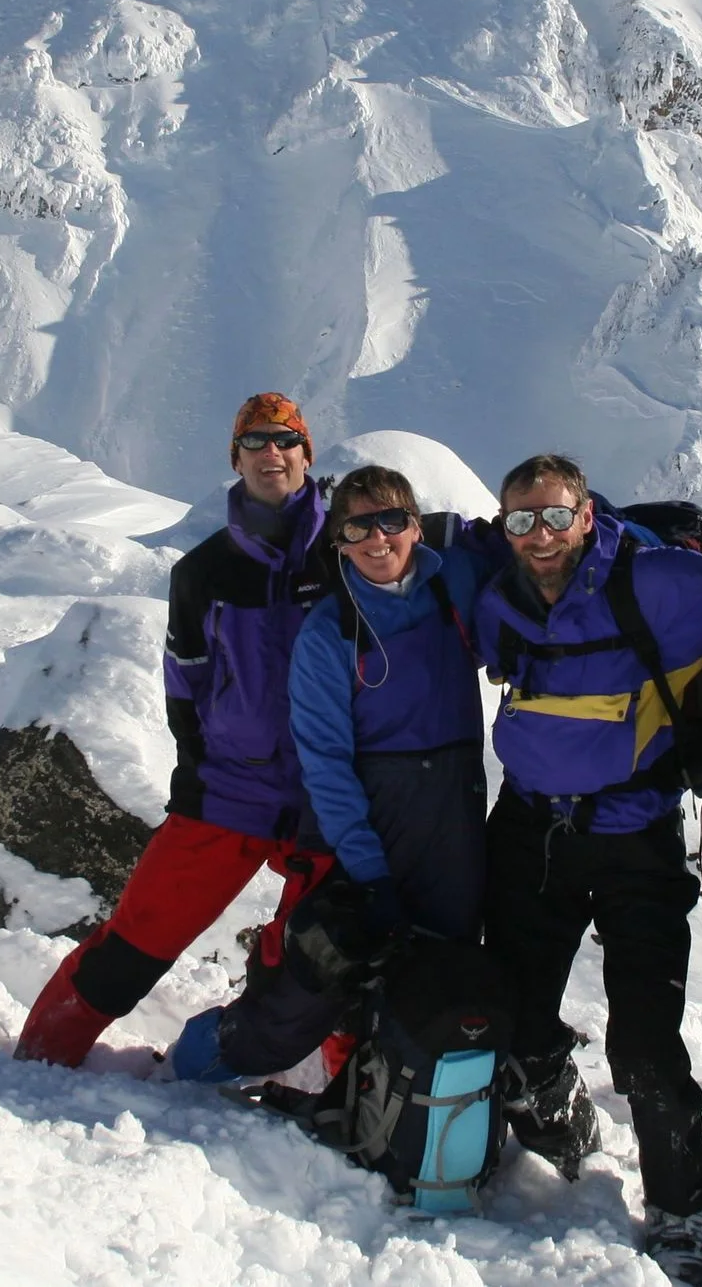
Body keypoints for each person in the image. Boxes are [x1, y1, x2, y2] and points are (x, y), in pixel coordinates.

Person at [471, 453, 702, 1286]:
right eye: (522, 520)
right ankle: (560, 1120)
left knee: (645, 1040)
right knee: (513, 1016)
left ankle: (679, 1204)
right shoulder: (499, 596)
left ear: (587, 513)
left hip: (638, 836)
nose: (541, 535)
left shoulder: (658, 581)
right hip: (531, 828)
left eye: (557, 515)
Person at [16, 392, 337, 1067]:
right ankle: (41, 1057)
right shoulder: (202, 572)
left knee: (332, 955)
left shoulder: (349, 551)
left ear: (307, 454)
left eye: (285, 440)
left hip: (329, 797)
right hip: (230, 793)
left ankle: (355, 1098)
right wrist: (199, 773)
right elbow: (184, 688)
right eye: (254, 441)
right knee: (140, 936)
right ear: (235, 459)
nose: (271, 453)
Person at [167, 463, 494, 1081]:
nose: (377, 539)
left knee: (436, 974)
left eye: (391, 520)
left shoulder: (456, 584)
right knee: (320, 973)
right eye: (357, 528)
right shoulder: (328, 633)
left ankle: (389, 1103)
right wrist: (367, 869)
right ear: (339, 542)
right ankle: (211, 1055)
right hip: (364, 822)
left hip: (452, 817)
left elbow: (539, 540)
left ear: (416, 527)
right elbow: (325, 764)